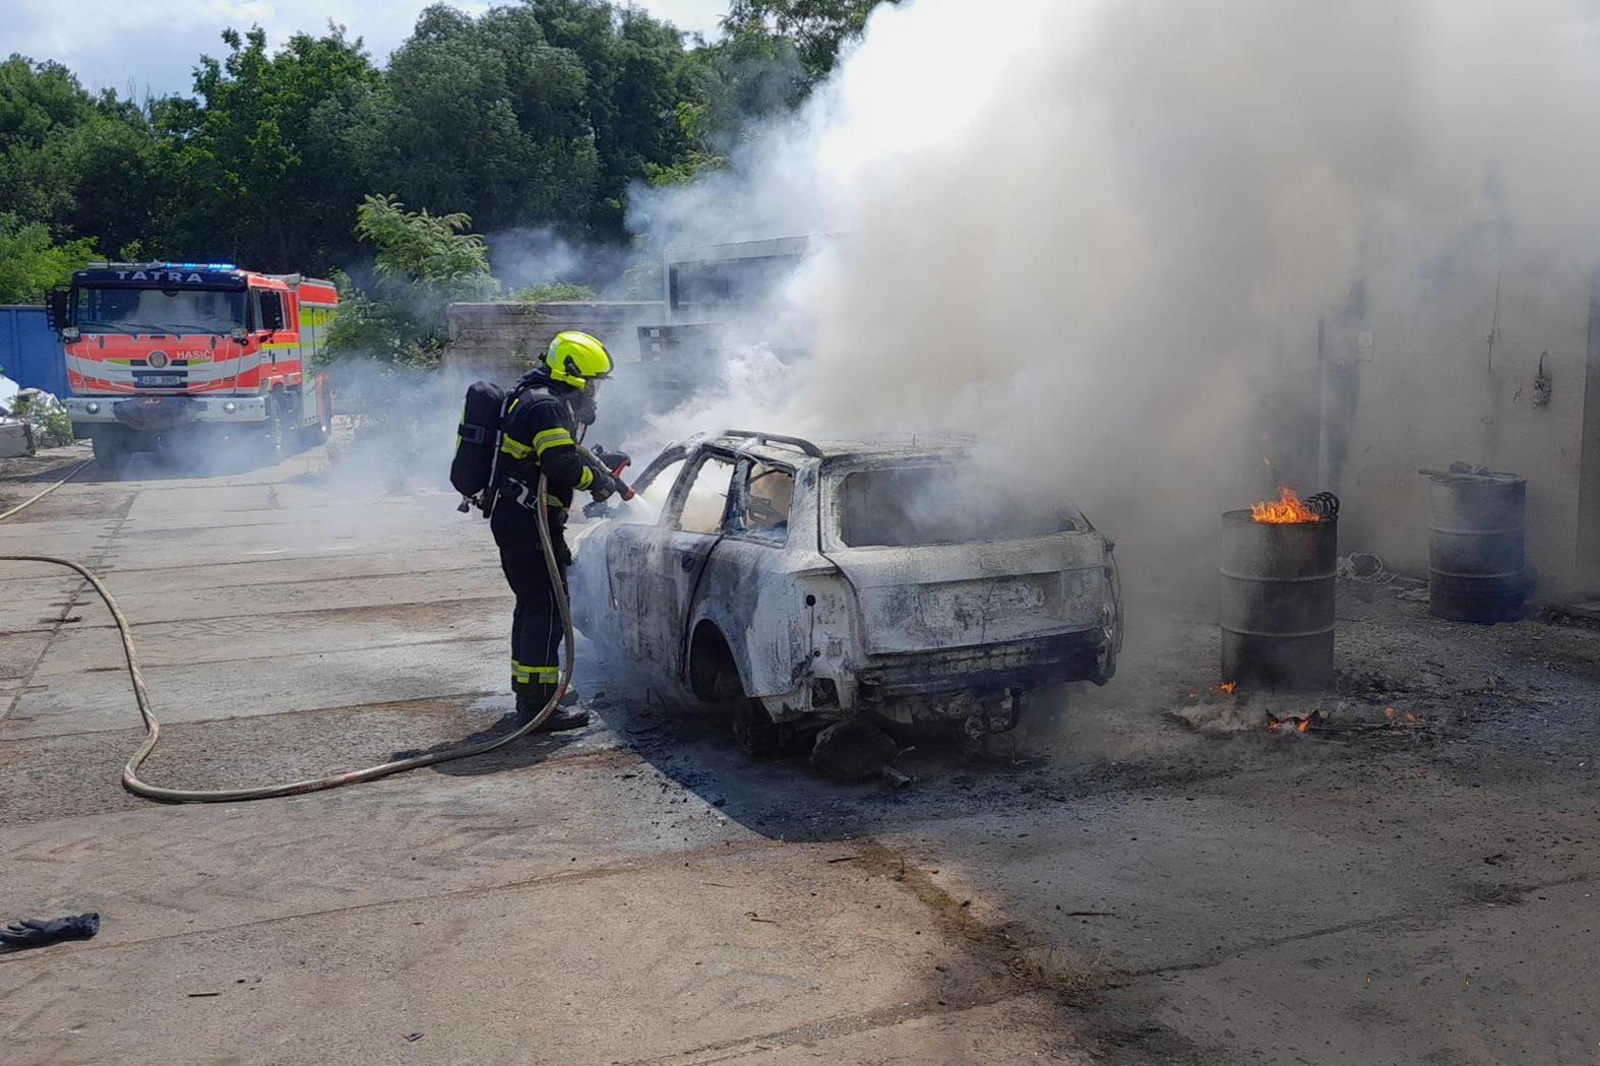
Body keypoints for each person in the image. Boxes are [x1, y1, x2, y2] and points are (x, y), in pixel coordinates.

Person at [491, 331, 621, 731]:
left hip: (523, 518)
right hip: (527, 521)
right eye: (591, 382)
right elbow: (562, 467)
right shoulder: (546, 406)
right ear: (572, 375)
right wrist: (597, 483)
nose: (594, 391)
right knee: (546, 607)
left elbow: (558, 453)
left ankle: (535, 691)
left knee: (533, 604)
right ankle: (538, 708)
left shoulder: (536, 396)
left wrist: (598, 463)